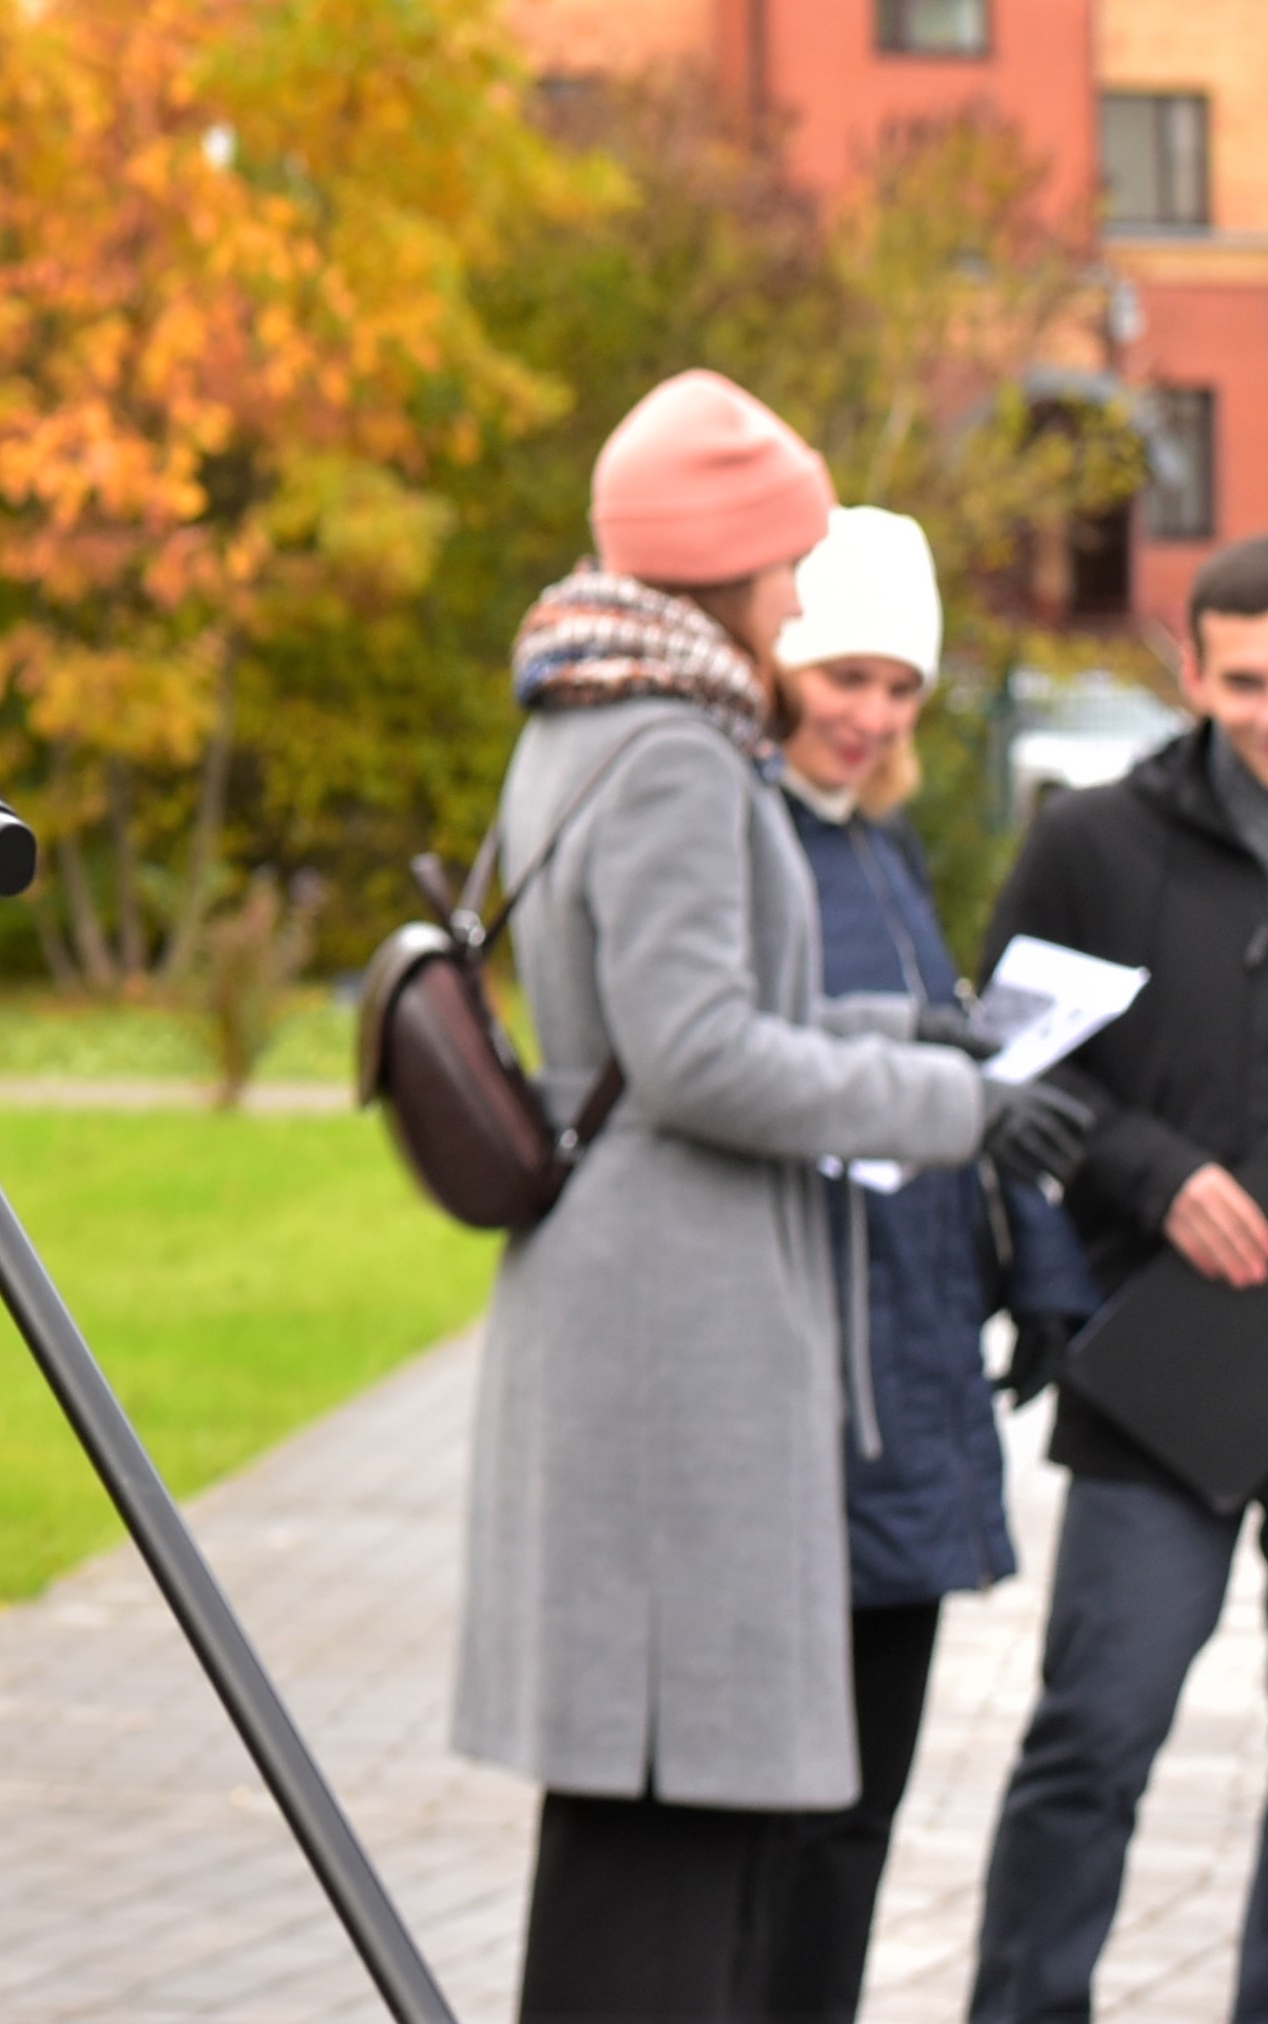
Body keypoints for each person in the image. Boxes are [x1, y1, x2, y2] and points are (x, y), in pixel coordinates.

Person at [454, 373, 1061, 2024]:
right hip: (675, 1327)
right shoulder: (662, 749)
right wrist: (950, 1102)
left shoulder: (609, 716)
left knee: (676, 1810)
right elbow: (696, 1052)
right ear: (717, 559)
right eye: (787, 562)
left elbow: (691, 1019)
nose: (800, 599)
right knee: (671, 1809)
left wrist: (900, 1032)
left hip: (663, 1299)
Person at [965, 534, 1268, 2024]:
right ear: (1192, 674)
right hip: (1153, 1378)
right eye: (1244, 683)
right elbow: (1001, 1062)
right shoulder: (1090, 840)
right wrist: (1151, 1175)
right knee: (1090, 1733)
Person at [748, 508, 1023, 2023]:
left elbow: (955, 1069)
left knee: (859, 1816)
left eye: (897, 686)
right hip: (805, 1378)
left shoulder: (882, 841)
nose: (866, 714)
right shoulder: (748, 832)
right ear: (783, 663)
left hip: (909, 1368)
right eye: (842, 674)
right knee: (782, 1821)